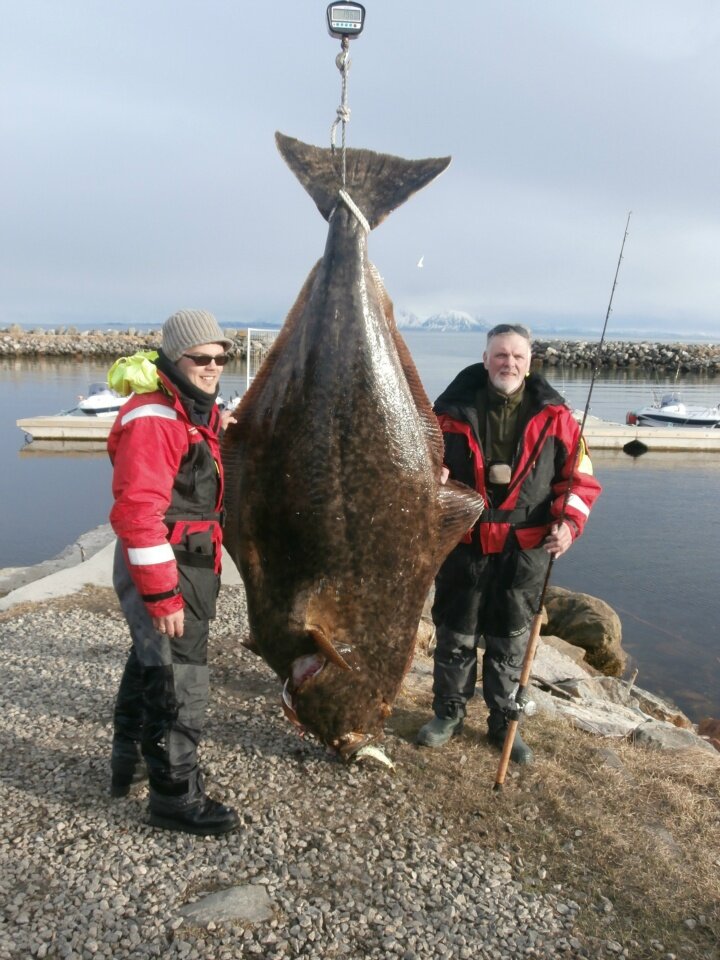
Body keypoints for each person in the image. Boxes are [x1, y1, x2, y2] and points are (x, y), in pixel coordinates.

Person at [417, 323, 602, 764]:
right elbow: (424, 462)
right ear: (485, 360)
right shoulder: (446, 413)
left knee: (509, 643)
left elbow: (580, 480)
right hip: (464, 543)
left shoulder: (557, 418)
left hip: (525, 552)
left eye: (517, 356)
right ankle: (448, 713)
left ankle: (503, 723)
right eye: (500, 355)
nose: (509, 363)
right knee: (455, 634)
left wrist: (570, 525)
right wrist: (432, 473)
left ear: (529, 362)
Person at [108, 309, 240, 835]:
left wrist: (222, 426)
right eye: (201, 358)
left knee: (150, 660)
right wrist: (163, 597)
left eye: (220, 358)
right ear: (174, 358)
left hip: (181, 561)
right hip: (168, 565)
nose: (213, 367)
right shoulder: (155, 418)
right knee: (181, 678)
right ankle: (175, 797)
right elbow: (139, 512)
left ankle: (130, 762)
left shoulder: (185, 409)